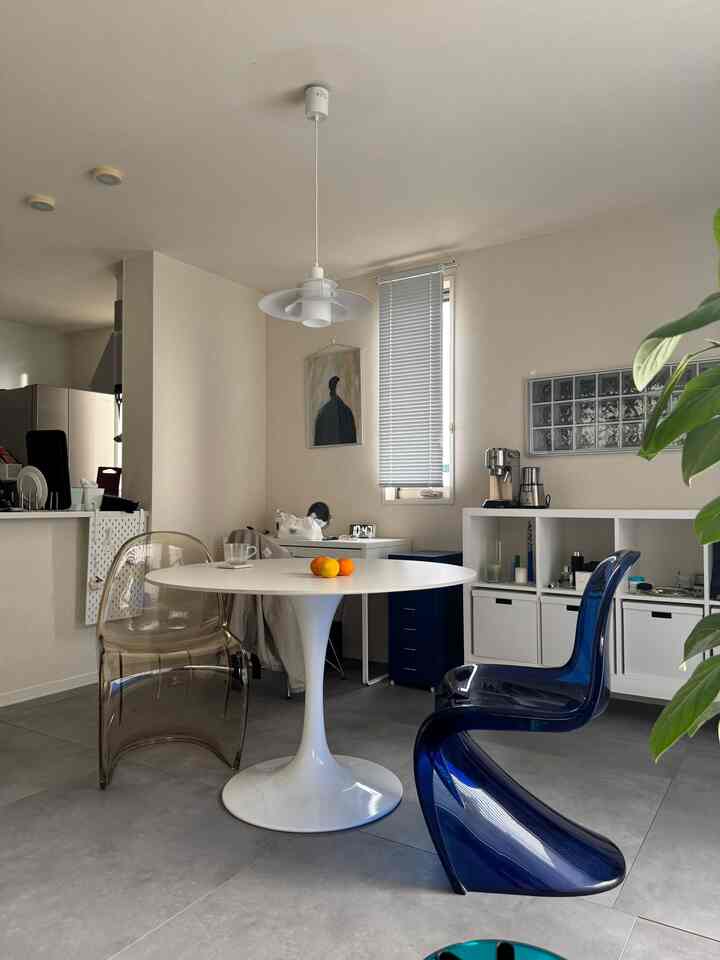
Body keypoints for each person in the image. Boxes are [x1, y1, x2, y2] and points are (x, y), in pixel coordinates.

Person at [314, 375, 357, 445]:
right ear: (337, 390)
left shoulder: (322, 412)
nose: (347, 390)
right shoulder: (347, 412)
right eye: (344, 388)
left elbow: (317, 442)